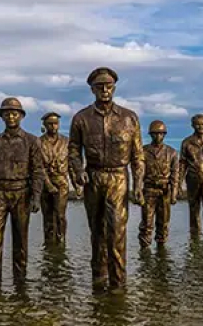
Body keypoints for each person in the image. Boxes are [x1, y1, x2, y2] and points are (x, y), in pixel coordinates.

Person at [68, 67, 145, 290]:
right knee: (97, 231)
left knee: (117, 231)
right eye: (99, 86)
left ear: (114, 88)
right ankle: (99, 278)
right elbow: (73, 150)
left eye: (108, 85)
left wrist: (138, 185)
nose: (104, 89)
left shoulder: (129, 118)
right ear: (92, 89)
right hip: (93, 177)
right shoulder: (81, 118)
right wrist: (78, 170)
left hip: (119, 177)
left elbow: (138, 156)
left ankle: (118, 283)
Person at [0, 97, 43, 285]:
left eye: (14, 113)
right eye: (7, 113)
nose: (11, 116)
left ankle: (20, 282)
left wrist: (36, 197)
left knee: (20, 241)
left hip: (22, 193)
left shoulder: (32, 141)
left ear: (21, 116)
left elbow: (38, 171)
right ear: (2, 117)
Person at [40, 112, 81, 246]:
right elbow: (38, 167)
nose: (53, 126)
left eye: (56, 123)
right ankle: (48, 242)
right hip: (45, 184)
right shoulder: (38, 142)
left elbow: (71, 167)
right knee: (47, 217)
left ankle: (61, 241)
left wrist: (77, 186)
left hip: (61, 183)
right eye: (50, 123)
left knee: (60, 215)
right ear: (44, 125)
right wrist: (48, 184)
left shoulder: (66, 142)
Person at [138, 120, 179, 248]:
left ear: (164, 134)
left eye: (161, 134)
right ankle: (145, 254)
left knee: (163, 223)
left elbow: (175, 175)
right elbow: (138, 173)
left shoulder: (172, 152)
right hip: (149, 191)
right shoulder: (143, 151)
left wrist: (174, 193)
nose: (158, 136)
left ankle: (162, 253)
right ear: (150, 135)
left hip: (165, 192)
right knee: (147, 223)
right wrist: (138, 191)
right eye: (155, 134)